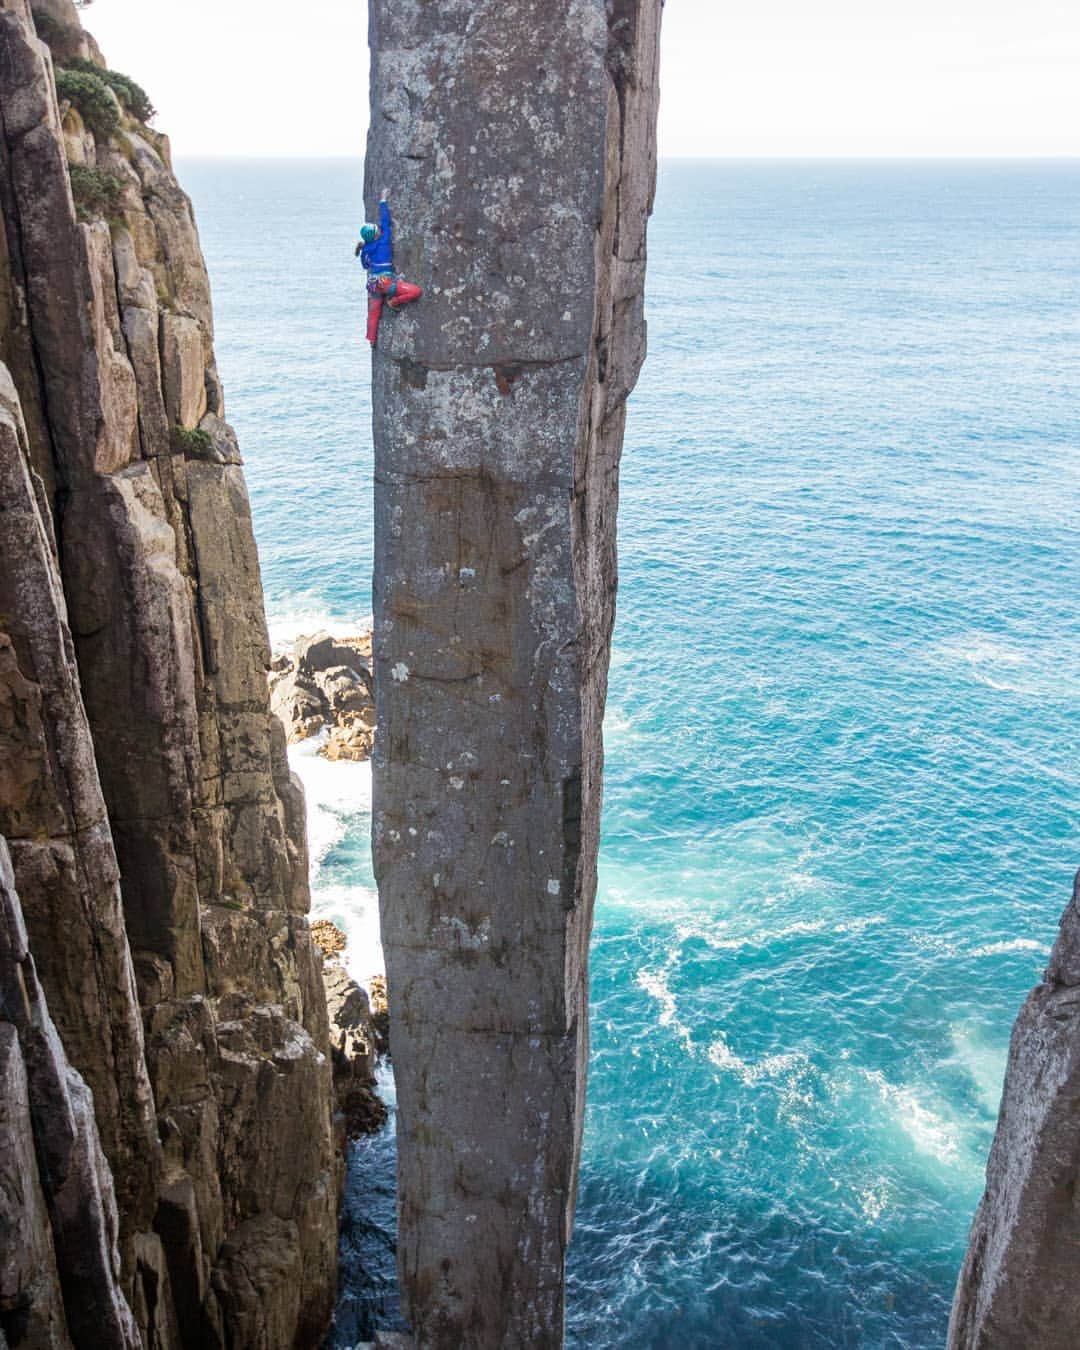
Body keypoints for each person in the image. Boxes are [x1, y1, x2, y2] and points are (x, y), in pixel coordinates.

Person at [355, 192, 422, 345]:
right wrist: (383, 201)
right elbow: (386, 222)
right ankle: (394, 302)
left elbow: (366, 265)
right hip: (386, 283)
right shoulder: (384, 241)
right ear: (376, 234)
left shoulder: (366, 250)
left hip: (373, 285)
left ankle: (371, 339)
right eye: (377, 229)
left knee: (374, 313)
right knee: (415, 292)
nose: (379, 229)